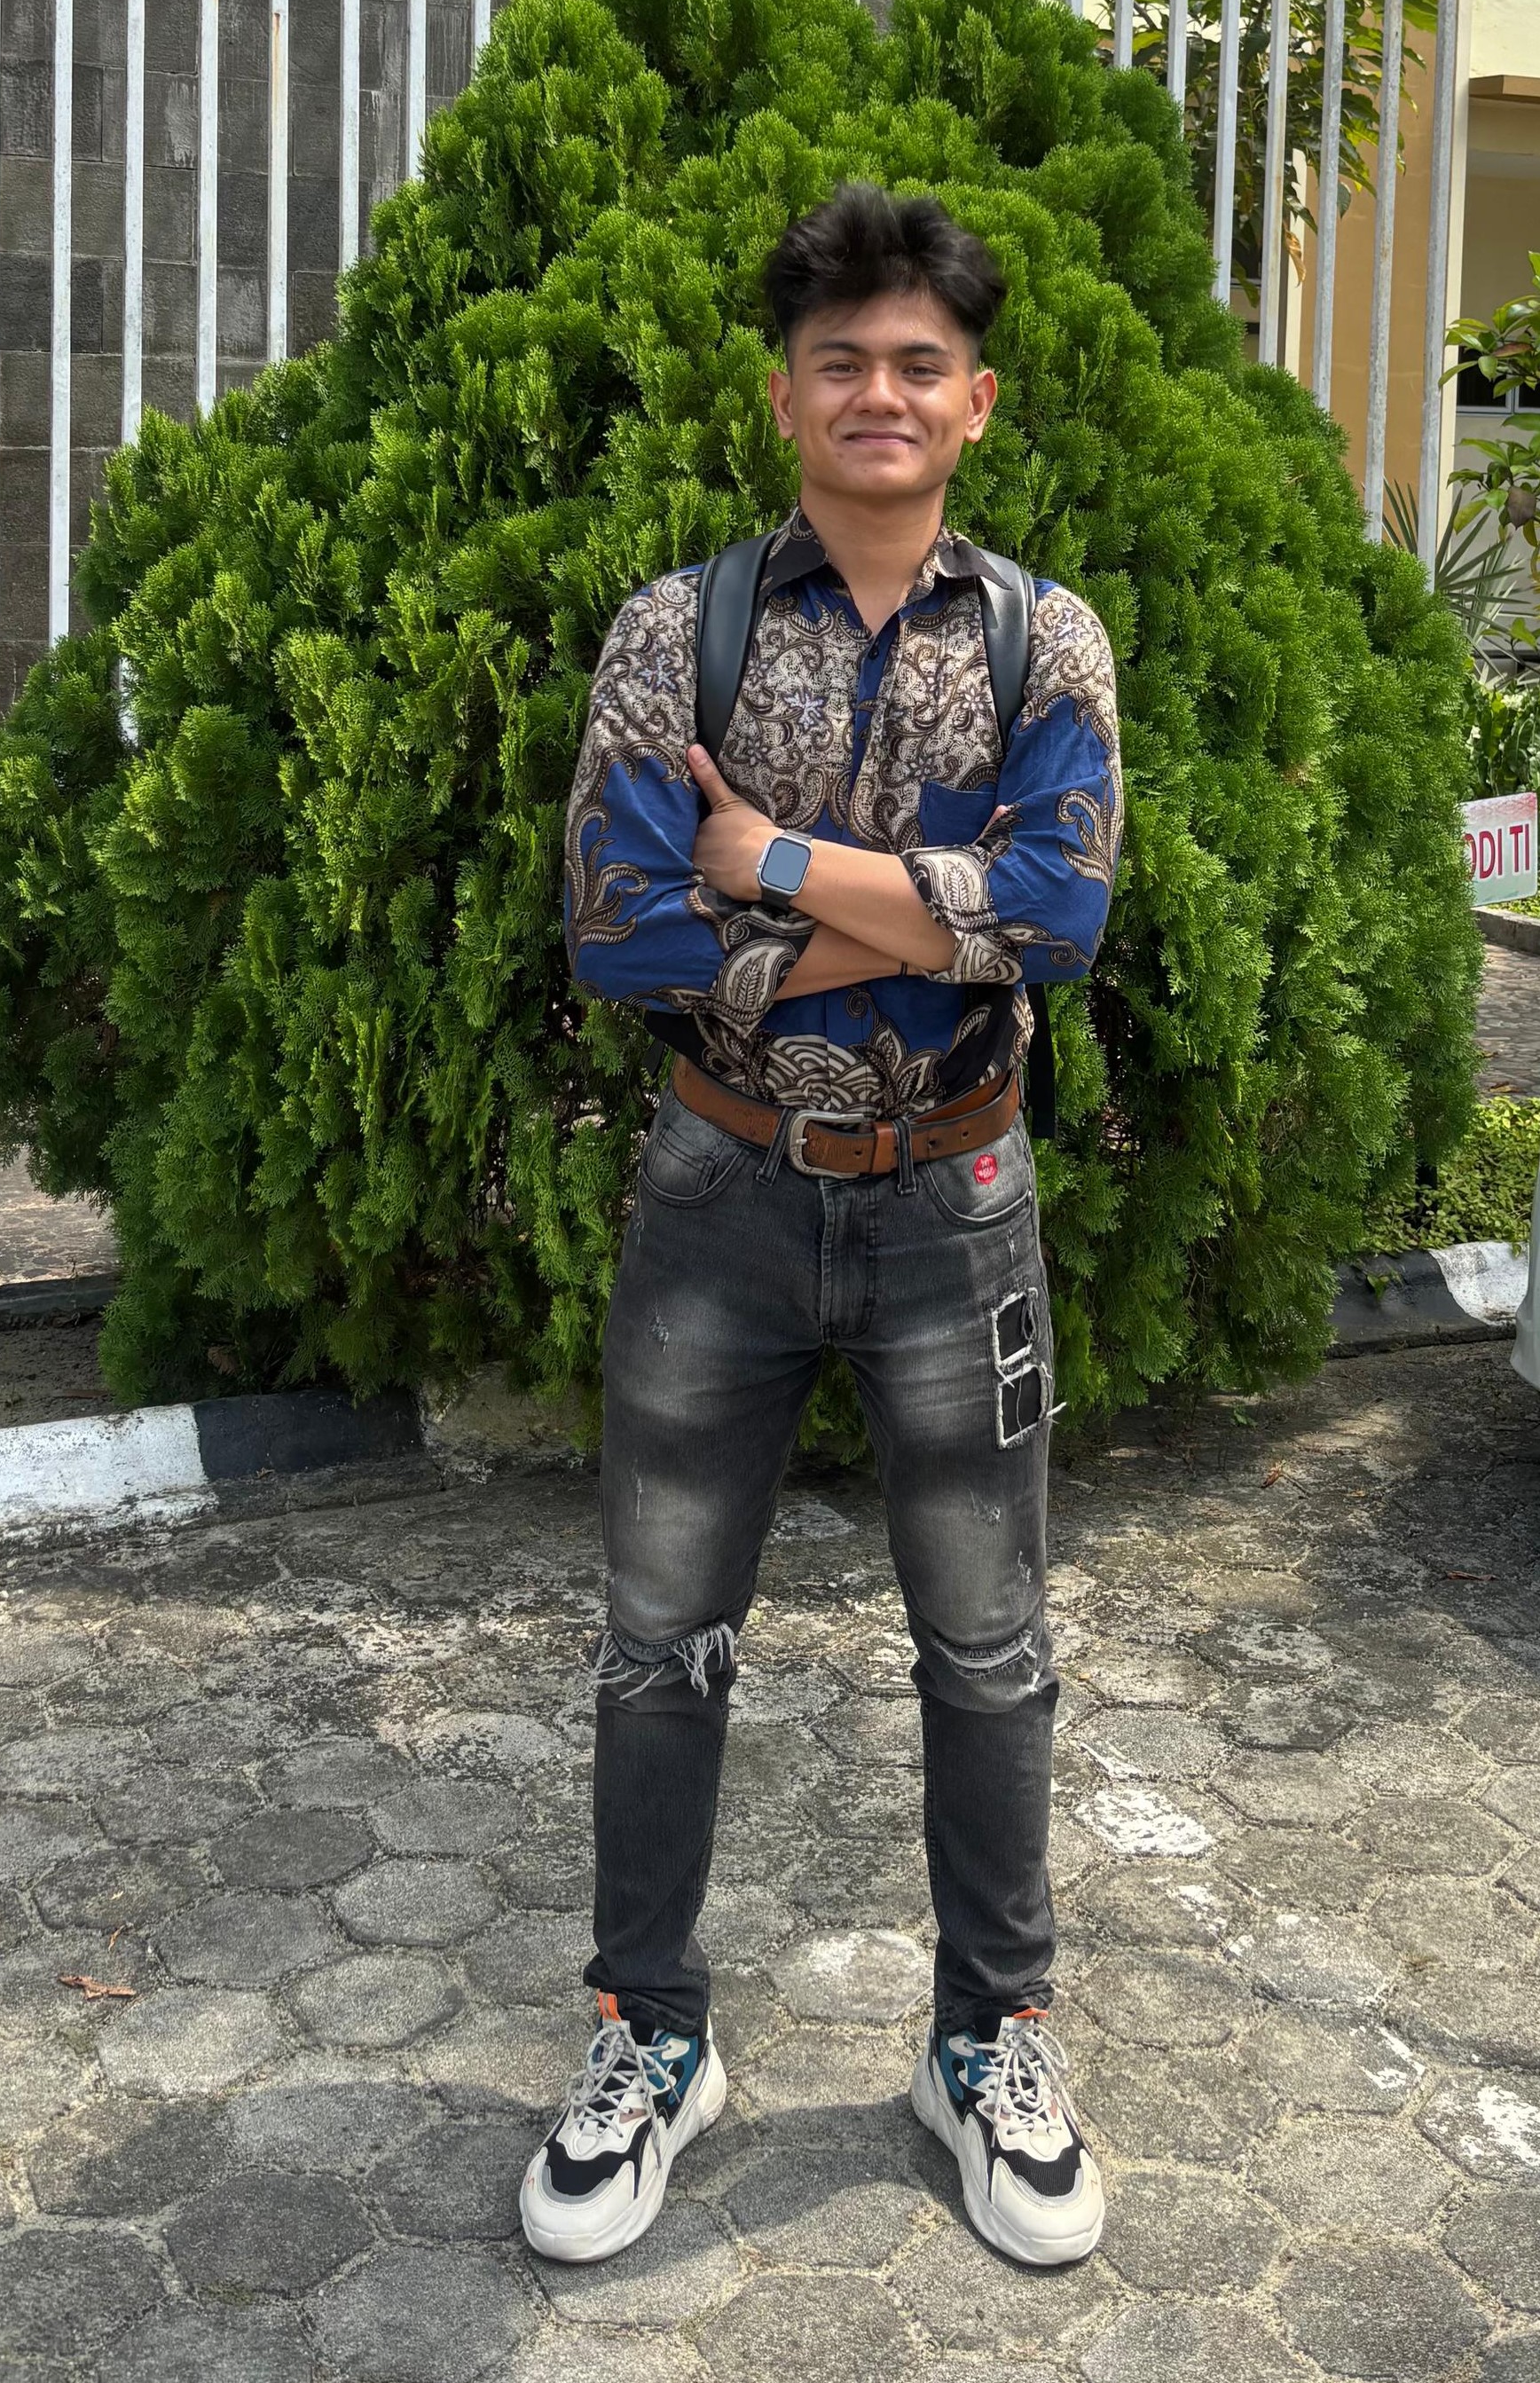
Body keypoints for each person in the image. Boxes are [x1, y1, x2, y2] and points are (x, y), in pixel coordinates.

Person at [522, 181, 1123, 2275]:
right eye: (839, 359)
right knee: (656, 1643)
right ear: (783, 395)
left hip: (958, 1201)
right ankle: (648, 2038)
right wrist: (928, 919)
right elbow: (619, 934)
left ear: (975, 401)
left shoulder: (1042, 641)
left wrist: (769, 861)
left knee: (989, 1644)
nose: (880, 390)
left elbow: (1060, 919)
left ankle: (987, 2044)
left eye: (917, 363)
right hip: (718, 1201)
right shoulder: (672, 633)